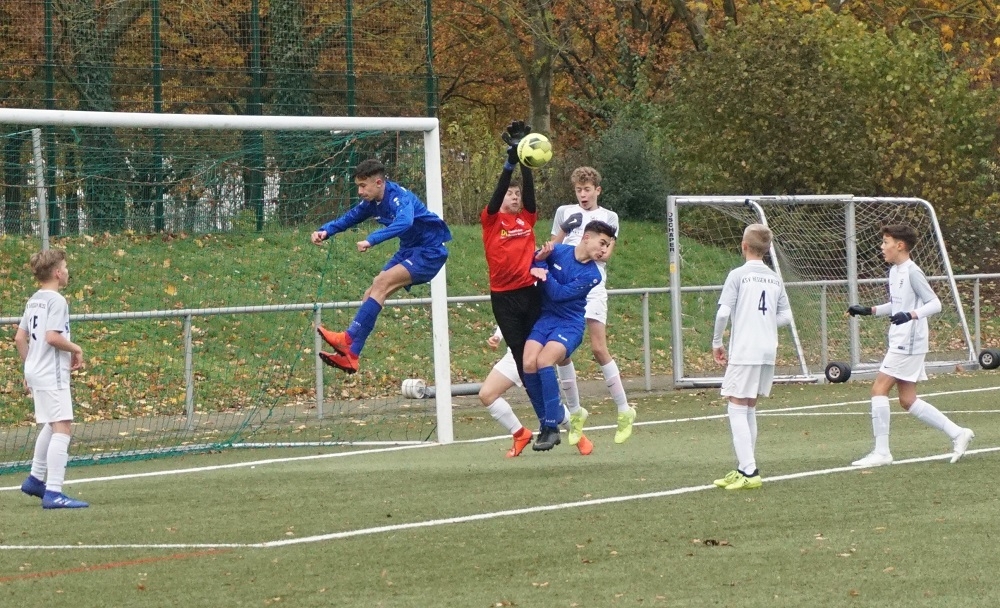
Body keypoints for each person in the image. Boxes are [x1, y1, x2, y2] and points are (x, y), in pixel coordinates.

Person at [847, 224, 974, 467]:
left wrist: (911, 315)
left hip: (909, 342)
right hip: (901, 339)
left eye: (886, 242)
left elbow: (935, 304)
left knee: (878, 389)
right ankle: (958, 433)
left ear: (900, 245)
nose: (882, 247)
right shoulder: (895, 271)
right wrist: (869, 310)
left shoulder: (913, 272)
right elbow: (897, 305)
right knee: (907, 400)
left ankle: (882, 453)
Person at [312, 159, 451, 374]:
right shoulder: (371, 202)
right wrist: (326, 231)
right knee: (371, 293)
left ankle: (347, 338)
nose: (360, 191)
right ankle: (352, 355)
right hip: (409, 250)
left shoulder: (399, 197)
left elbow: (405, 222)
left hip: (429, 251)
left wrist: (372, 239)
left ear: (378, 182)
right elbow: (351, 217)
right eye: (358, 186)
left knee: (381, 282)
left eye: (363, 186)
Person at [550, 167, 636, 446]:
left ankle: (624, 410)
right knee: (561, 349)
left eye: (587, 189)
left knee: (599, 348)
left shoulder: (609, 217)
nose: (583, 194)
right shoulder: (565, 212)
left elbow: (606, 254)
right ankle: (576, 412)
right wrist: (565, 231)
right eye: (578, 190)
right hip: (566, 283)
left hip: (592, 285)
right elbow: (553, 246)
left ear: (597, 190)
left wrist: (589, 249)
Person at [478, 120, 543, 458]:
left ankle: (555, 420)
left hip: (530, 292)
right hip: (503, 297)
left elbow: (530, 195)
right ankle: (535, 426)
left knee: (540, 358)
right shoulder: (492, 221)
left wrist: (525, 162)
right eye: (510, 193)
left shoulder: (526, 220)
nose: (515, 197)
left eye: (517, 194)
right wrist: (509, 163)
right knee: (521, 359)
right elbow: (496, 195)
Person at [711, 224, 792, 491]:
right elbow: (786, 316)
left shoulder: (738, 275)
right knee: (748, 406)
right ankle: (743, 467)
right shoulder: (774, 278)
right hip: (767, 349)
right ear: (766, 250)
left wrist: (717, 342)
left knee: (736, 405)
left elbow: (723, 312)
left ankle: (749, 470)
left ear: (744, 246)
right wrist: (764, 323)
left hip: (745, 349)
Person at [524, 220, 617, 451]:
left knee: (544, 361)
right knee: (528, 363)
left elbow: (558, 294)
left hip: (569, 325)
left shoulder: (592, 275)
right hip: (546, 319)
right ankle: (546, 422)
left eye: (607, 246)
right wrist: (539, 259)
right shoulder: (559, 251)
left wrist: (542, 267)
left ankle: (551, 426)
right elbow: (532, 260)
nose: (604, 250)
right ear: (586, 237)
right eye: (602, 243)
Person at [15, 248, 89, 509]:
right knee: (63, 426)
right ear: (57, 273)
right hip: (51, 372)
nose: (67, 271)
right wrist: (76, 348)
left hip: (36, 370)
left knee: (51, 422)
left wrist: (29, 367)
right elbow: (52, 337)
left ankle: (35, 479)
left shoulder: (34, 299)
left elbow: (20, 338)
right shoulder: (57, 301)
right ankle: (54, 492)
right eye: (65, 267)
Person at [480, 326, 593, 457]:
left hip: (534, 353)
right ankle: (520, 434)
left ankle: (578, 435)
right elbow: (509, 315)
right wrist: (498, 336)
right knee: (487, 395)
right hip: (515, 355)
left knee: (547, 403)